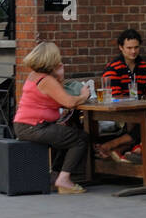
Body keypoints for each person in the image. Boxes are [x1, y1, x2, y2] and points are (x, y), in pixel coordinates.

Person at [12, 41, 91, 194]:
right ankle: (64, 179)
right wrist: (84, 95)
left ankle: (56, 176)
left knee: (66, 135)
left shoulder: (35, 76)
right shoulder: (46, 81)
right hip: (34, 127)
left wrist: (59, 77)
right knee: (80, 138)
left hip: (27, 126)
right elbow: (69, 102)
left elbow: (54, 98)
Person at [95, 28, 146, 161]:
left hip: (141, 110)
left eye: (136, 47)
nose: (133, 51)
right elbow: (114, 96)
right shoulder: (113, 68)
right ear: (121, 48)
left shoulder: (145, 68)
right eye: (129, 48)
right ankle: (118, 149)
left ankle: (114, 148)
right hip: (117, 113)